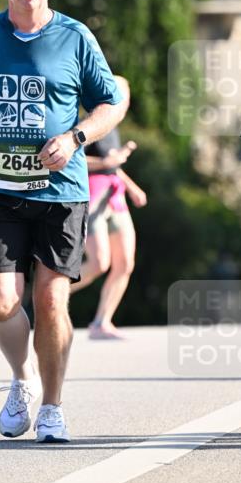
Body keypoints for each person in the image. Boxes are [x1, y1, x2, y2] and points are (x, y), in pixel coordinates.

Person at [0, 0, 126, 443]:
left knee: (50, 302)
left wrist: (75, 139)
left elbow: (111, 103)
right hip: (0, 189)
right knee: (0, 301)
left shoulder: (75, 37)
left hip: (61, 191)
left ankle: (52, 406)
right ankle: (21, 379)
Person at [71, 77, 147, 340]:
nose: (123, 104)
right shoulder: (90, 122)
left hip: (116, 197)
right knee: (99, 263)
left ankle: (101, 322)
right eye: (119, 97)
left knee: (125, 262)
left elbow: (112, 163)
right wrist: (106, 163)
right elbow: (72, 159)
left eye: (125, 99)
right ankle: (52, 293)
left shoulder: (114, 126)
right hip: (93, 197)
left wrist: (132, 186)